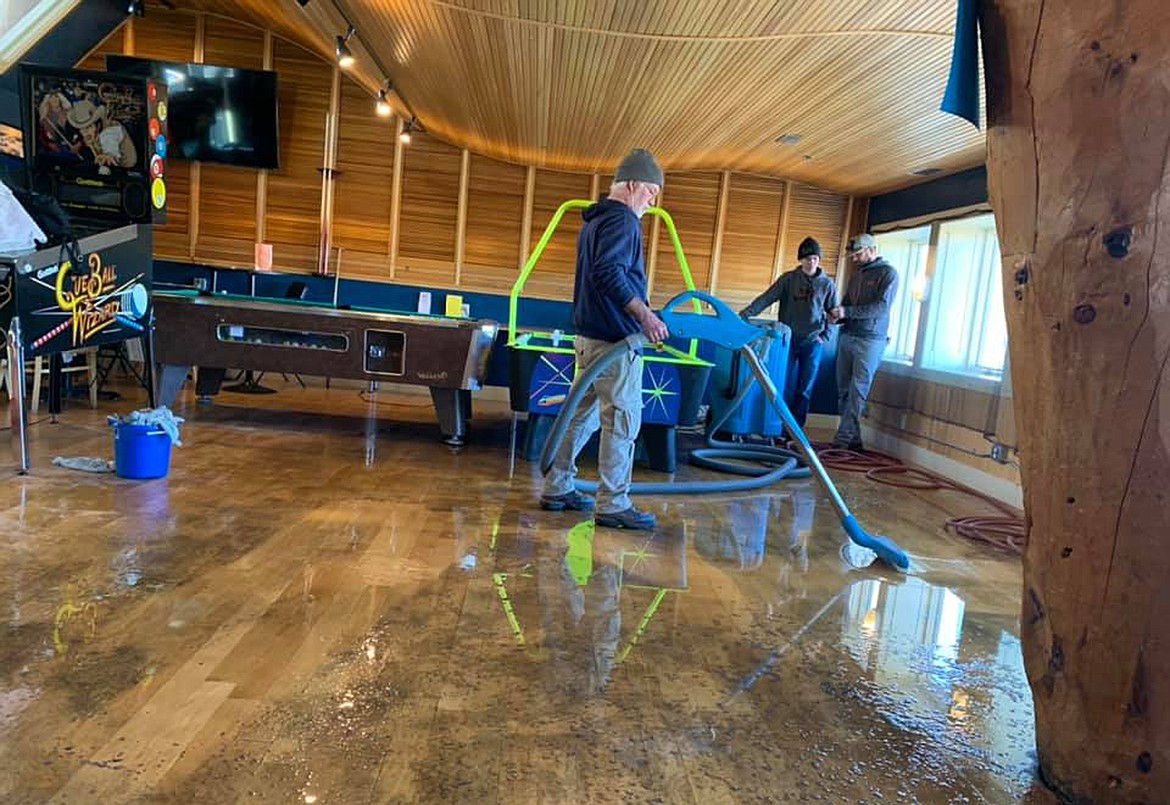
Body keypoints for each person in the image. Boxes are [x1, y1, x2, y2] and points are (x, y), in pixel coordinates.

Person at [539, 148, 668, 530]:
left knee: (580, 416)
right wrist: (645, 315)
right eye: (650, 191)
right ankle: (613, 503)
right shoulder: (623, 221)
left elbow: (604, 273)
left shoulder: (594, 222)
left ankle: (558, 486)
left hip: (589, 338)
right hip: (615, 344)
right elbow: (609, 274)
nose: (652, 200)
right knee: (622, 421)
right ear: (631, 185)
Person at [740, 236, 837, 427]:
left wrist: (824, 336)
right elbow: (767, 298)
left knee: (805, 388)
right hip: (787, 340)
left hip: (813, 342)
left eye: (815, 259)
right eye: (808, 259)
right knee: (779, 382)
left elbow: (833, 313)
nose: (812, 262)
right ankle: (774, 423)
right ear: (801, 259)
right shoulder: (788, 280)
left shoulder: (827, 285)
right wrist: (744, 315)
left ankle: (794, 430)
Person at [828, 233, 898, 451]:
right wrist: (837, 315)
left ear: (871, 250)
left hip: (870, 341)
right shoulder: (857, 275)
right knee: (843, 390)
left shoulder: (889, 274)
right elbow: (848, 303)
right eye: (853, 256)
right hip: (848, 335)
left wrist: (847, 311)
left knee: (858, 390)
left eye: (858, 254)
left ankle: (842, 440)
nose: (855, 259)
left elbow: (881, 308)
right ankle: (854, 442)